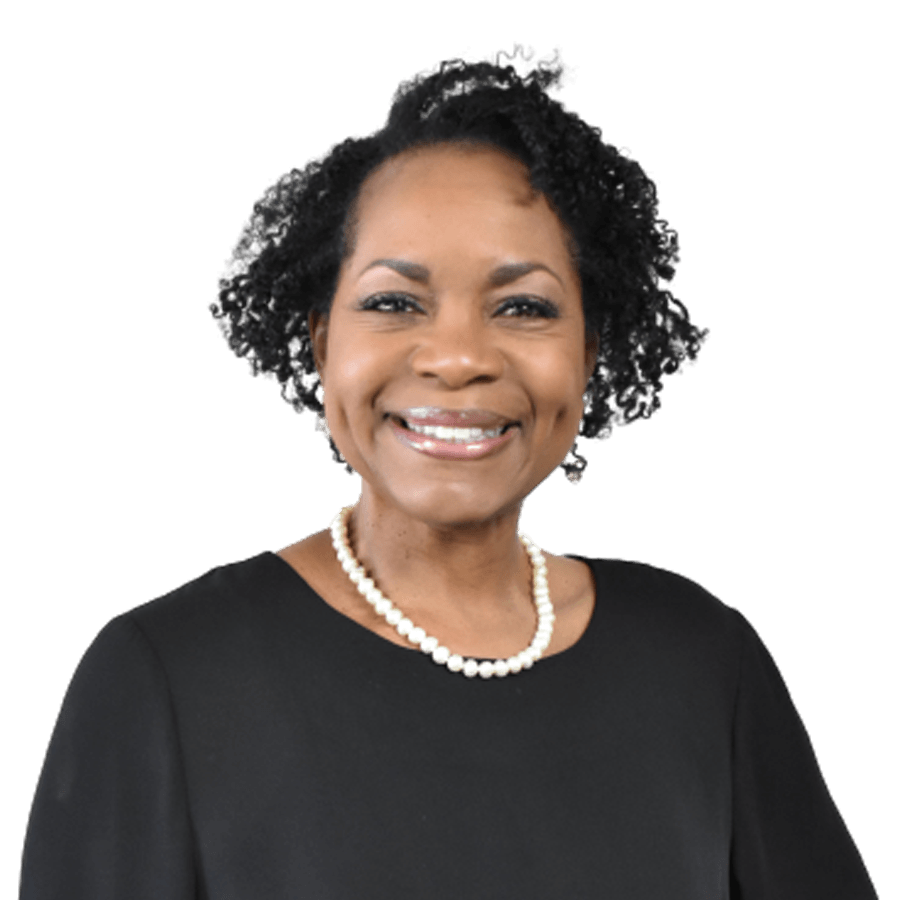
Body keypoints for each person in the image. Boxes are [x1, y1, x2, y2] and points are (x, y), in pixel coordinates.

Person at [19, 43, 879, 899]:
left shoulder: (702, 660)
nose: (460, 357)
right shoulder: (165, 680)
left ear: (589, 353)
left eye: (523, 306)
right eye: (394, 302)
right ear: (321, 342)